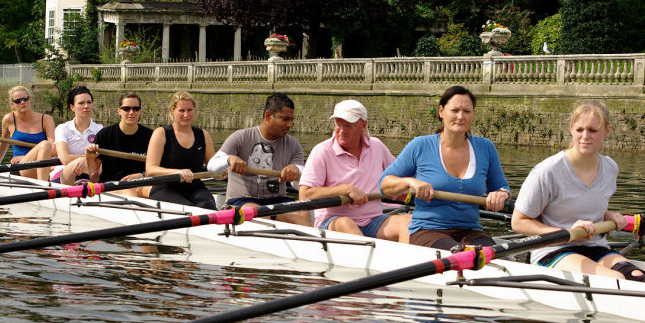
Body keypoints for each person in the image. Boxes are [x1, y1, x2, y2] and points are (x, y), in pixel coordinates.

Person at [511, 100, 645, 283]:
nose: (585, 136)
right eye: (579, 130)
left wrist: (606, 215)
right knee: (614, 279)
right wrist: (566, 231)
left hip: (595, 245)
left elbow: (583, 203)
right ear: (571, 129)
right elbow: (518, 222)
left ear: (607, 131)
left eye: (593, 130)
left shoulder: (610, 168)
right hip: (555, 249)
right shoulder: (548, 171)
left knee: (639, 278)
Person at [379, 86, 511, 250]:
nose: (460, 116)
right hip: (428, 230)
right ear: (441, 111)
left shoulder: (486, 148)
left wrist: (501, 194)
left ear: (473, 114)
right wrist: (410, 182)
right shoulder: (420, 145)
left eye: (467, 111)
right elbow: (384, 184)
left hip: (470, 231)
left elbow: (501, 186)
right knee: (462, 256)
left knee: (492, 256)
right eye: (455, 110)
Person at [299, 100, 409, 242]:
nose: (342, 131)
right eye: (338, 125)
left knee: (408, 222)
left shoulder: (377, 146)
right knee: (346, 223)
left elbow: (398, 177)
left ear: (363, 125)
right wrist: (344, 189)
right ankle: (369, 258)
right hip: (332, 221)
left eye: (348, 126)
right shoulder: (322, 151)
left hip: (373, 220)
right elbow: (304, 195)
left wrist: (401, 190)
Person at [208, 93, 310, 225]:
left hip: (278, 199)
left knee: (302, 216)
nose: (290, 124)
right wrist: (229, 159)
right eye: (285, 119)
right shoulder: (241, 137)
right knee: (261, 216)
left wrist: (297, 170)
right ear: (268, 116)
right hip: (242, 200)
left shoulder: (293, 144)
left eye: (292, 120)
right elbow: (212, 165)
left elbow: (298, 186)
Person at [145, 91, 216, 209]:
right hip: (166, 187)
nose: (186, 115)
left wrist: (222, 171)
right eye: (181, 111)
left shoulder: (203, 135)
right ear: (172, 111)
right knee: (188, 209)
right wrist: (176, 172)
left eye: (190, 110)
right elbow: (150, 170)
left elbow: (213, 167)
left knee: (208, 208)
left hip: (195, 187)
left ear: (195, 110)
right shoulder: (161, 133)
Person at [85, 92, 153, 197]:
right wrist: (90, 159)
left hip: (141, 183)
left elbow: (157, 168)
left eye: (135, 109)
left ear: (140, 111)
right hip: (111, 184)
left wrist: (141, 175)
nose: (131, 112)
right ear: (119, 111)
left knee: (157, 193)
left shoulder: (151, 136)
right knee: (130, 193)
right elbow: (94, 178)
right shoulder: (105, 135)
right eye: (126, 109)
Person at [0, 85, 56, 180]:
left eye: (25, 99)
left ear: (29, 99)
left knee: (49, 149)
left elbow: (54, 148)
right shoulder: (9, 119)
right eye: (18, 101)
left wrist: (23, 157)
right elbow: (4, 143)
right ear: (12, 104)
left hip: (42, 163)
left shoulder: (46, 119)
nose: (22, 102)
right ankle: (45, 187)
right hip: (20, 168)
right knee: (45, 145)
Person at [52, 86, 103, 185]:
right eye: (81, 103)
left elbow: (104, 159)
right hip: (66, 174)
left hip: (91, 174)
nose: (86, 106)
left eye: (89, 102)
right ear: (72, 107)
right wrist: (87, 158)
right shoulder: (62, 128)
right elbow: (65, 159)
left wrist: (86, 160)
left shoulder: (99, 129)